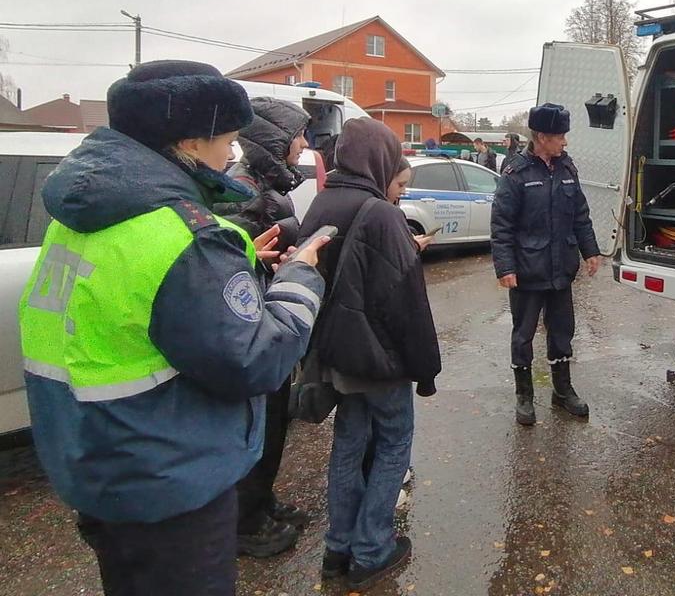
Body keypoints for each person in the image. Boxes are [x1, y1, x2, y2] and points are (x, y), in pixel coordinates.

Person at [18, 61, 329, 596]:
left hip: (94, 462)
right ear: (189, 140)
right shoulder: (186, 236)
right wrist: (300, 278)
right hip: (167, 481)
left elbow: (132, 305)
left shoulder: (83, 215)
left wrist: (224, 270)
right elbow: (255, 361)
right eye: (227, 140)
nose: (231, 154)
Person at [299, 118, 441, 591]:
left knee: (348, 446)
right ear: (379, 160)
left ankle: (337, 549)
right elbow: (407, 303)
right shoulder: (380, 213)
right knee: (393, 445)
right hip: (379, 360)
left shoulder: (322, 202)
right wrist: (426, 368)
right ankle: (372, 549)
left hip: (337, 356)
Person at [213, 96, 312, 557]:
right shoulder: (245, 190)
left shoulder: (270, 187)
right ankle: (245, 521)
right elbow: (234, 266)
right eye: (297, 137)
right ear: (276, 141)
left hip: (268, 318)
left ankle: (262, 500)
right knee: (259, 425)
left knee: (274, 423)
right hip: (253, 326)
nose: (305, 145)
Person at [490, 103, 601, 426]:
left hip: (561, 270)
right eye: (559, 136)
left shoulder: (568, 169)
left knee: (563, 332)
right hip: (527, 272)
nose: (564, 142)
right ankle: (524, 395)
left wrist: (590, 251)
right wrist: (505, 267)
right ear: (541, 137)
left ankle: (562, 389)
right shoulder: (516, 173)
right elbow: (502, 225)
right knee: (523, 335)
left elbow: (580, 215)